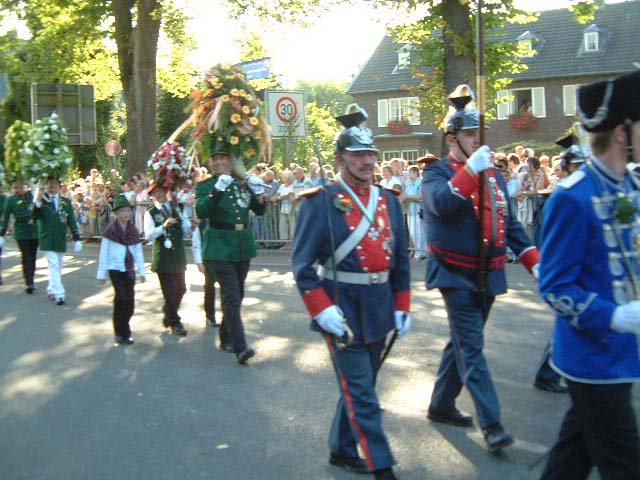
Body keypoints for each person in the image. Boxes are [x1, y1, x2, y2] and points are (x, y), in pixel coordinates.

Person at [292, 105, 411, 480]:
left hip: (379, 307)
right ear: (340, 159)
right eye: (358, 155)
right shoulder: (320, 201)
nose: (367, 161)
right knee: (363, 394)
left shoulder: (388, 200)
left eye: (370, 154)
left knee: (363, 385)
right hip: (341, 309)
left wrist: (402, 304)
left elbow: (401, 260)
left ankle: (342, 449)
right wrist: (320, 307)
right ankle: (383, 467)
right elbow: (302, 266)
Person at [421, 85, 539, 453]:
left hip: (488, 273)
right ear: (452, 138)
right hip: (454, 272)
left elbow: (511, 225)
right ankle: (493, 424)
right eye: (470, 134)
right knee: (472, 346)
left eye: (478, 133)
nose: (477, 139)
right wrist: (471, 171)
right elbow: (441, 205)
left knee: (461, 342)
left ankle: (441, 404)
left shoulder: (494, 175)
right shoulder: (436, 172)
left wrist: (535, 264)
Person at [538, 70, 640, 479]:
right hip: (593, 360)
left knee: (571, 460)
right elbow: (554, 286)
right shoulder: (573, 197)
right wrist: (613, 316)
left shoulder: (629, 186)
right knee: (626, 465)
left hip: (621, 352)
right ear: (622, 133)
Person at [194, 139, 266, 364]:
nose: (219, 162)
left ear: (231, 160)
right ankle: (240, 346)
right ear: (210, 163)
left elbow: (260, 210)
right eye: (215, 159)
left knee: (238, 295)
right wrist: (217, 190)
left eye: (223, 158)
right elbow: (201, 210)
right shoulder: (205, 186)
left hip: (242, 245)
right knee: (231, 296)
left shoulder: (240, 183)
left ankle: (225, 337)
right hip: (219, 246)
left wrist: (258, 190)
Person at [97, 196, 146, 345]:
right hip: (115, 268)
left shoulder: (133, 230)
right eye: (122, 211)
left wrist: (142, 271)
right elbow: (104, 253)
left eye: (128, 210)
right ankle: (120, 331)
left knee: (130, 301)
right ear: (116, 213)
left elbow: (138, 252)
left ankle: (126, 329)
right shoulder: (110, 231)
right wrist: (101, 273)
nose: (126, 214)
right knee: (121, 298)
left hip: (129, 268)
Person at [144, 182, 191, 336]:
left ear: (166, 191)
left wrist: (191, 225)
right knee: (169, 292)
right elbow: (148, 234)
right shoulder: (150, 212)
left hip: (178, 255)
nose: (158, 194)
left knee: (181, 288)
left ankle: (168, 311)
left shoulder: (176, 207)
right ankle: (175, 322)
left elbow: (185, 227)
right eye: (155, 192)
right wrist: (163, 226)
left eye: (160, 191)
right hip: (163, 256)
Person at [33, 177, 83, 305]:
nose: (52, 186)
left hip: (60, 238)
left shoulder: (65, 202)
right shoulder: (42, 200)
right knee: (54, 264)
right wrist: (37, 203)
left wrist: (77, 238)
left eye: (55, 184)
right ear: (46, 186)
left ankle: (51, 288)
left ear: (59, 187)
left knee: (58, 266)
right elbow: (34, 217)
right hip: (47, 238)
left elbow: (71, 220)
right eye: (50, 184)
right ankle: (59, 294)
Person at [0, 180, 40, 293]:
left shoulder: (32, 196)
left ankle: (31, 278)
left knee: (32, 256)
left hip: (34, 230)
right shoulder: (11, 200)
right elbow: (6, 217)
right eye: (16, 187)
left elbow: (39, 206)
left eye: (21, 186)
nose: (19, 188)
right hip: (21, 231)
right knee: (26, 256)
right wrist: (2, 233)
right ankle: (29, 282)